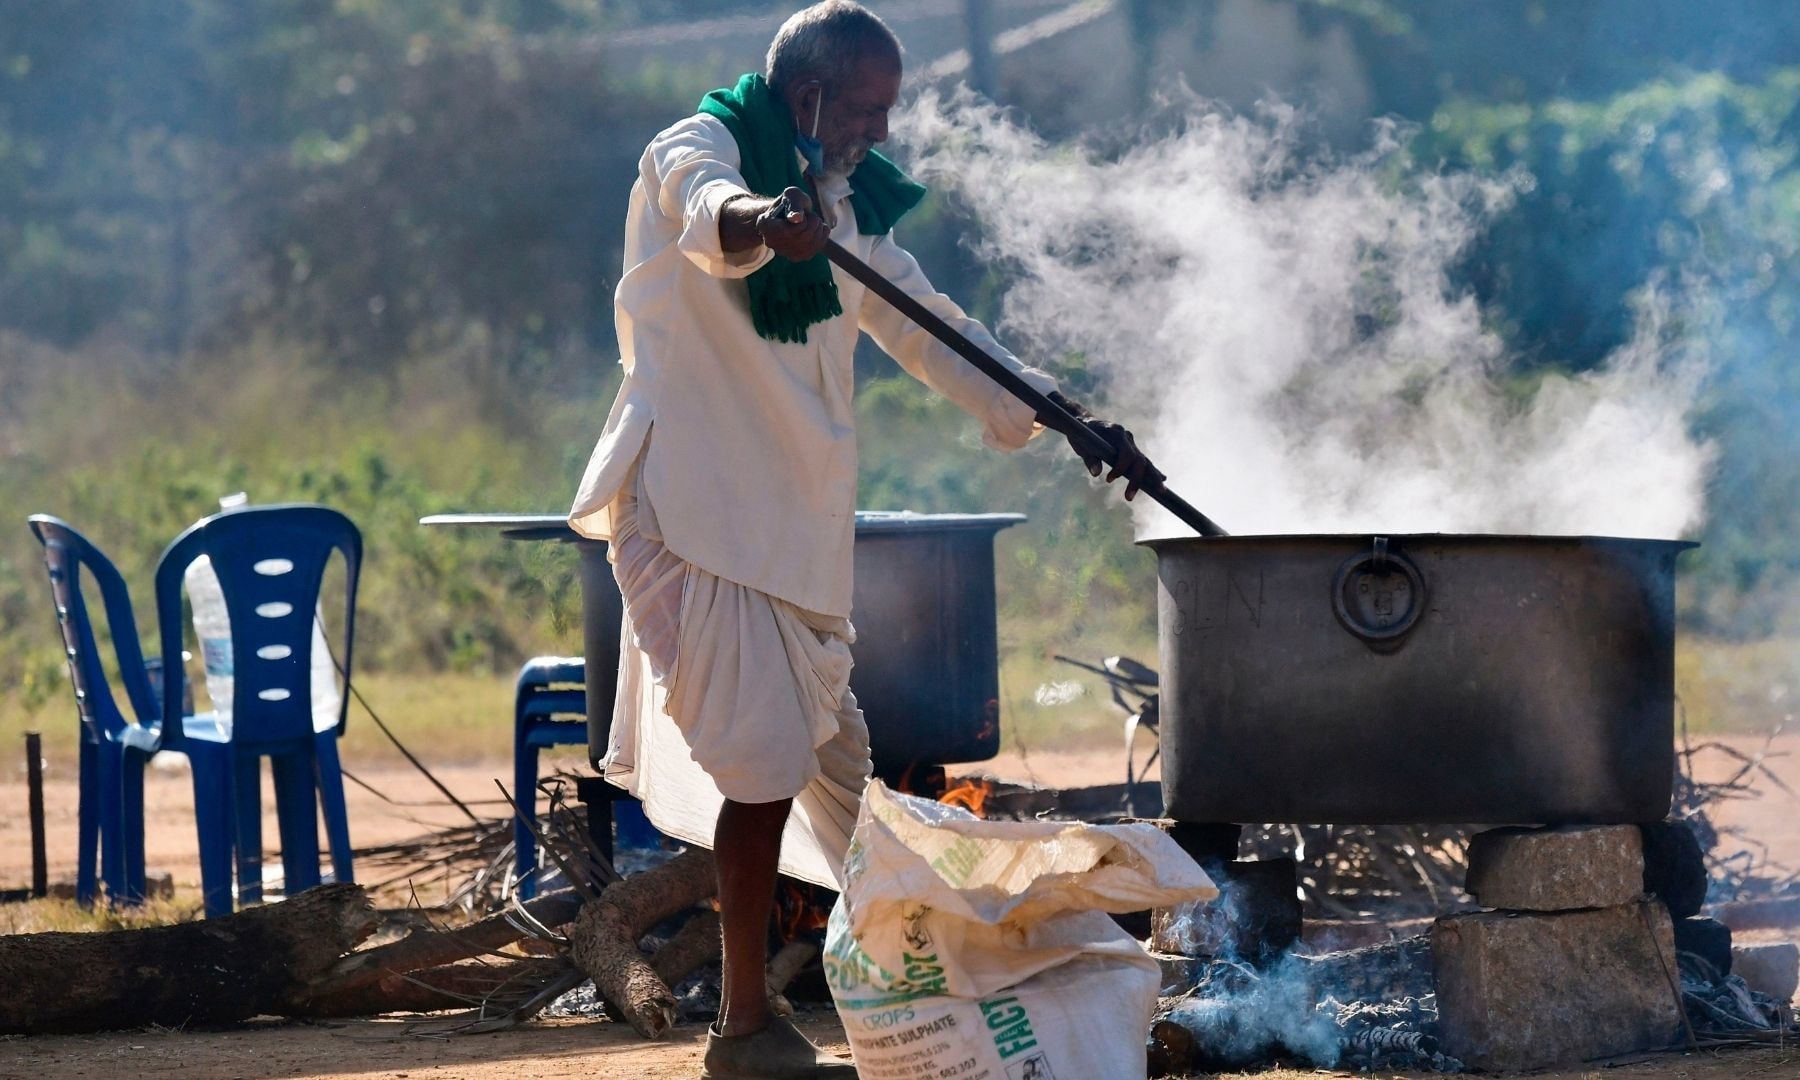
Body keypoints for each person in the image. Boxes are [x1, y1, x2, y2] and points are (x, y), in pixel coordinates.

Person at [567, 3, 1163, 1076]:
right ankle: (742, 1027)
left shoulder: (846, 210)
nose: (882, 133)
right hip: (697, 513)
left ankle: (940, 977)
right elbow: (706, 211)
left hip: (792, 534)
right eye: (869, 109)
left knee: (838, 778)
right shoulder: (694, 149)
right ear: (809, 101)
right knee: (758, 774)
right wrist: (764, 221)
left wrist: (1058, 413)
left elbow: (933, 326)